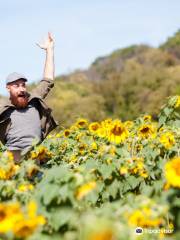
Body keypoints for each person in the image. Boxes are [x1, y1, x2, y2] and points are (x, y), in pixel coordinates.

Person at [0, 33, 58, 162]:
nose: (21, 89)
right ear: (8, 88)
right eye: (16, 85)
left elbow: (48, 80)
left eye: (23, 85)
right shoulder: (3, 110)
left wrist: (49, 50)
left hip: (36, 154)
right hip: (12, 157)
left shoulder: (34, 100)